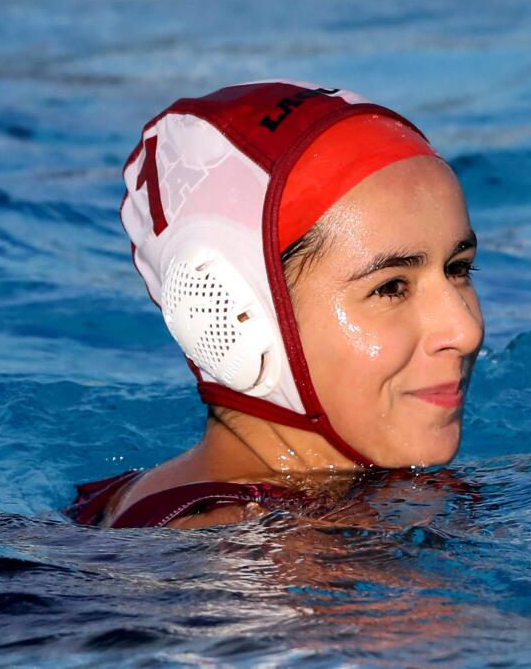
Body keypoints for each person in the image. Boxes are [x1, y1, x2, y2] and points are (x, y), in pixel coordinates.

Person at [66, 80, 484, 529]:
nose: (465, 331)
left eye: (459, 269)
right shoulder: (249, 555)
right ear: (231, 311)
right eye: (391, 288)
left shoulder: (314, 503)